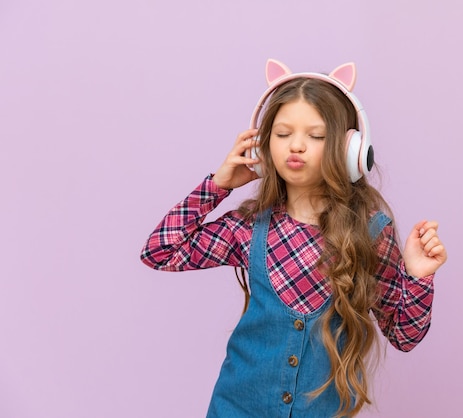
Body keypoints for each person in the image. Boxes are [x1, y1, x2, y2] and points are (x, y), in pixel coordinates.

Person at [140, 59, 447, 418]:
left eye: (315, 136)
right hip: (234, 408)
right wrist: (218, 185)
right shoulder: (248, 226)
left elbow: (405, 336)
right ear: (263, 145)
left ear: (350, 150)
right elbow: (160, 251)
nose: (296, 146)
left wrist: (418, 276)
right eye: (283, 134)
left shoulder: (371, 232)